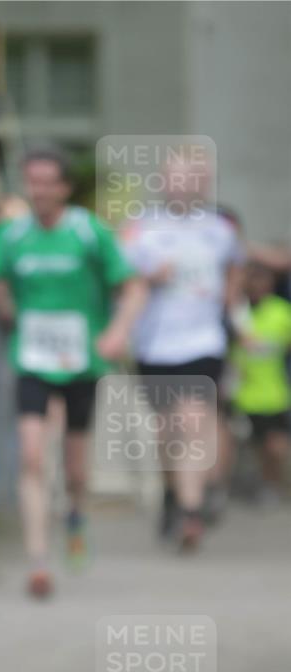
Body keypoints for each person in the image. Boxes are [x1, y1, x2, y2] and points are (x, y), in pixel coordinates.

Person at [0, 147, 146, 597]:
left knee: (75, 469)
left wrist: (117, 332)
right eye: (33, 181)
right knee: (32, 455)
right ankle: (38, 560)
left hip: (83, 361)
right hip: (31, 360)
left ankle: (75, 514)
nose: (41, 190)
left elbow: (133, 287)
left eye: (49, 182)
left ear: (64, 187)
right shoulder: (11, 236)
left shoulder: (89, 232)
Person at [122, 152, 244, 550]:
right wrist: (147, 277)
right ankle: (173, 493)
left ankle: (191, 512)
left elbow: (235, 270)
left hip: (204, 341)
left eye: (192, 178)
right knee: (169, 430)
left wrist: (233, 315)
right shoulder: (141, 227)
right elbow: (118, 278)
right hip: (156, 345)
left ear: (205, 183)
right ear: (163, 181)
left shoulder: (219, 229)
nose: (183, 185)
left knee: (193, 421)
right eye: (176, 177)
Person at [231, 261, 291, 503]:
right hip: (243, 393)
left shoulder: (281, 311)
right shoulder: (236, 313)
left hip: (275, 392)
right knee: (255, 445)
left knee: (276, 444)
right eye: (252, 279)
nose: (256, 285)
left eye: (262, 279)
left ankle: (277, 483)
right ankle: (267, 485)